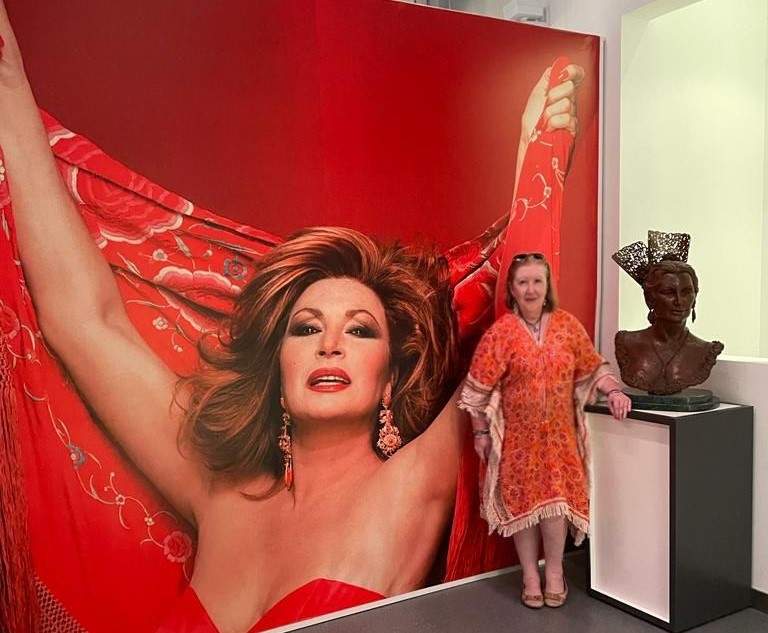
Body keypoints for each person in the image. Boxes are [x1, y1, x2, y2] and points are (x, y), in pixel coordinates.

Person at [0, 3, 586, 630]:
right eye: (306, 328)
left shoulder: (413, 486)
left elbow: (512, 339)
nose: (330, 342)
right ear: (278, 365)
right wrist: (7, 87)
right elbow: (85, 323)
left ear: (390, 377)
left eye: (360, 329)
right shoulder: (217, 492)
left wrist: (538, 163)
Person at [459, 252, 631, 609]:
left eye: (537, 281)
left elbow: (593, 367)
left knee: (555, 507)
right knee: (524, 509)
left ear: (547, 285)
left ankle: (554, 572)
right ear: (512, 288)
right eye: (523, 282)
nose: (531, 289)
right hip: (517, 441)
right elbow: (477, 389)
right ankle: (529, 576)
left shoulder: (567, 326)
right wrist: (481, 434)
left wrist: (614, 391)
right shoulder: (501, 333)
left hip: (560, 440)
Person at [614, 258, 724, 394]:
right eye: (668, 292)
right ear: (650, 298)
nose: (679, 301)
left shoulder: (705, 350)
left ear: (695, 297)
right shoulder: (627, 342)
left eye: (686, 292)